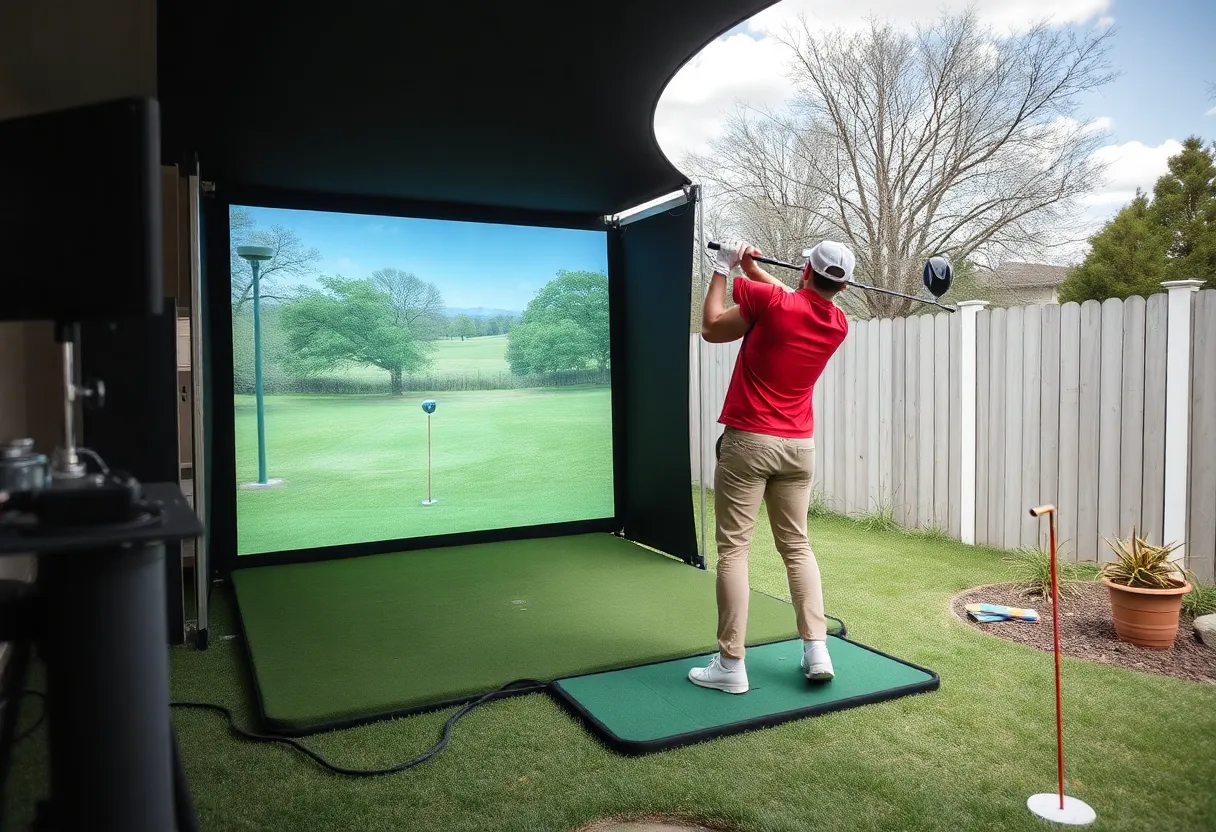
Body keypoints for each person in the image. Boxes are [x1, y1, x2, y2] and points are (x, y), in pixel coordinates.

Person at [689, 239, 853, 694]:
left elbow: (710, 326)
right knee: (797, 548)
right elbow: (798, 297)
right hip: (799, 449)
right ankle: (816, 648)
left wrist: (724, 267)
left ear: (805, 269)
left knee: (735, 552)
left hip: (749, 443)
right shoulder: (838, 323)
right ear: (842, 286)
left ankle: (730, 664)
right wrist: (752, 266)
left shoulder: (770, 300)